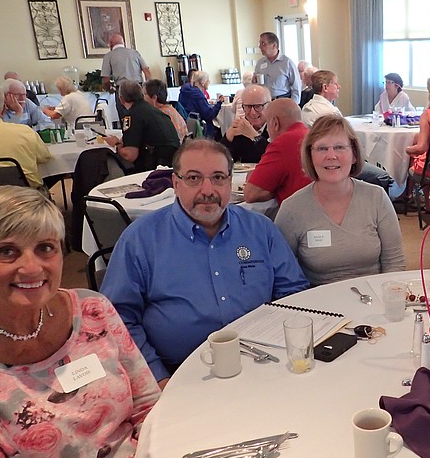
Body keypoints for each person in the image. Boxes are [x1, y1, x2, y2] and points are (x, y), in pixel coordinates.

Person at [0, 186, 160, 458]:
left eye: (45, 248)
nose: (32, 267)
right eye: (7, 251)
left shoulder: (93, 310)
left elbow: (148, 408)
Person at [101, 139, 309, 385]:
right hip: (178, 375)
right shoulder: (141, 240)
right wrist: (158, 377)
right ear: (175, 184)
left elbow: (293, 292)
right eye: (193, 178)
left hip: (264, 364)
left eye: (218, 178)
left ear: (231, 182)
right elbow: (118, 319)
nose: (208, 190)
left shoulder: (260, 229)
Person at [276, 115, 405, 285]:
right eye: (322, 149)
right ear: (310, 156)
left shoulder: (376, 198)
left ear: (354, 155)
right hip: (320, 306)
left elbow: (394, 263)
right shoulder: (292, 209)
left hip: (375, 299)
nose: (331, 156)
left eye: (339, 147)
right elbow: (282, 275)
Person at [104, 80, 180, 173]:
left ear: (121, 99)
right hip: (173, 163)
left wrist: (116, 145)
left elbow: (130, 155)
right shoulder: (153, 110)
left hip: (155, 166)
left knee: (110, 163)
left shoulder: (132, 115)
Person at [244, 98, 310, 203]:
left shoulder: (283, 143)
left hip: (297, 214)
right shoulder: (311, 135)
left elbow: (251, 194)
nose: (267, 130)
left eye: (267, 125)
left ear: (275, 123)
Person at [101, 34, 151, 123]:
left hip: (122, 89)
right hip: (138, 87)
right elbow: (146, 71)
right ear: (123, 42)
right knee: (142, 114)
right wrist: (147, 87)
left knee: (125, 119)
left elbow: (106, 79)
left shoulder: (109, 56)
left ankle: (128, 135)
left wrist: (110, 89)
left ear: (110, 43)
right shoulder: (134, 53)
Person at [222, 84, 272, 162]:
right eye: (248, 107)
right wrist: (227, 139)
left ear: (269, 106)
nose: (253, 113)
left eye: (258, 106)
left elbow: (274, 156)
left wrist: (254, 136)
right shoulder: (241, 127)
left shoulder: (276, 126)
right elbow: (223, 160)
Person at [254, 32, 301, 103]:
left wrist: (294, 105)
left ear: (274, 45)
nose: (260, 47)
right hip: (264, 102)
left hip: (282, 101)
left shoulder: (287, 63)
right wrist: (254, 81)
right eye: (259, 44)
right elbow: (255, 83)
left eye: (263, 44)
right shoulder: (260, 63)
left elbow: (296, 87)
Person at [178, 70, 225, 138]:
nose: (209, 82)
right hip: (200, 128)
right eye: (208, 80)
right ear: (202, 83)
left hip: (187, 125)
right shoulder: (198, 95)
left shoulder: (184, 91)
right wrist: (219, 103)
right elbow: (209, 115)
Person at [144, 78, 188, 142]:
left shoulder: (160, 115)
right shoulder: (171, 109)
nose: (143, 97)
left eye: (145, 94)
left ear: (154, 98)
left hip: (175, 150)